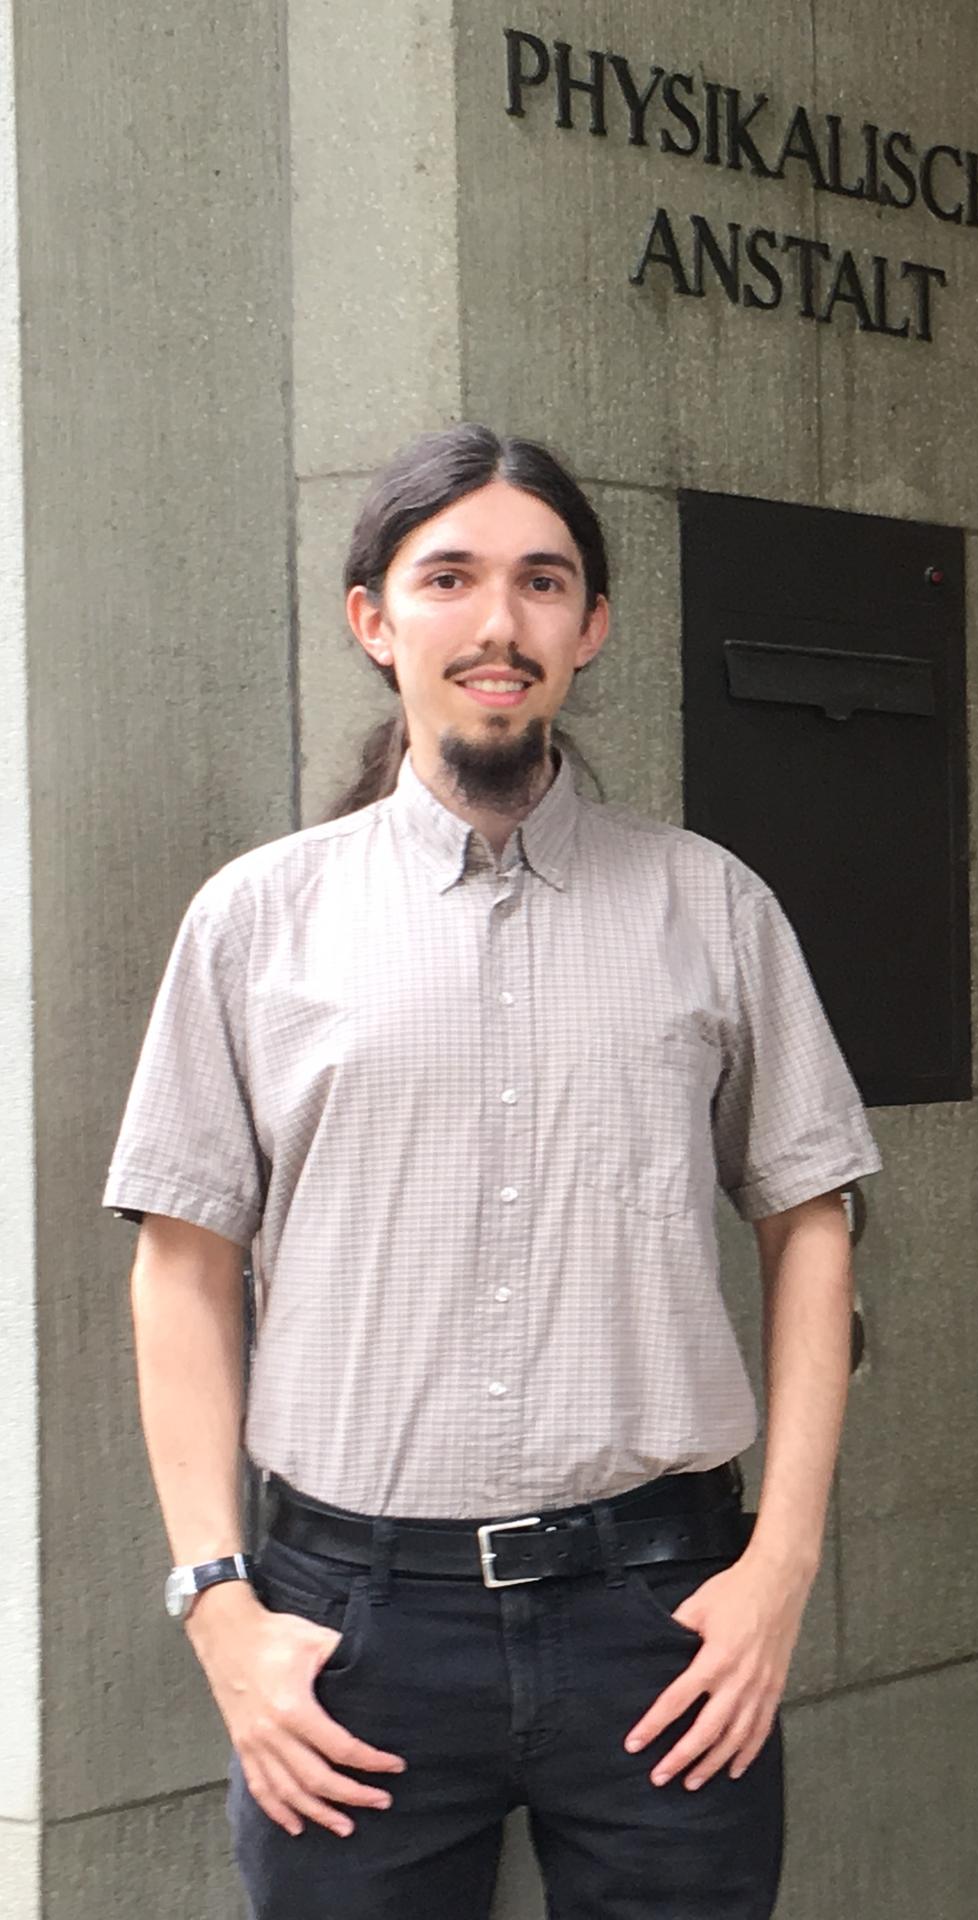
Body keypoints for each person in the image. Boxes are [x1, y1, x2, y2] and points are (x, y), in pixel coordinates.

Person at [107, 425, 879, 1919]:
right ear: (375, 621)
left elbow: (813, 1222)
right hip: (348, 1636)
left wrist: (779, 1572)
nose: (497, 621)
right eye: (448, 577)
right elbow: (181, 1269)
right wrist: (220, 1609)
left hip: (663, 1618)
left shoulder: (710, 907)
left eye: (541, 581)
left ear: (589, 628)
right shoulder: (257, 922)